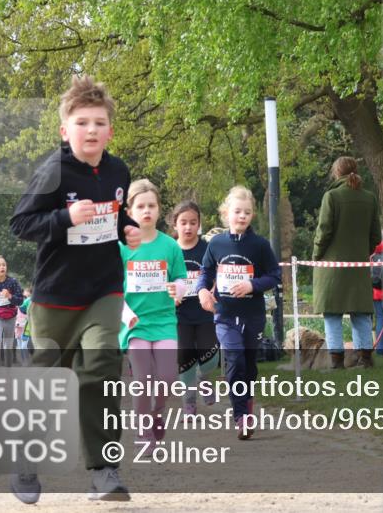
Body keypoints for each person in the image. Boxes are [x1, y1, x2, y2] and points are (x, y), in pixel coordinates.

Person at [9, 75, 141, 504]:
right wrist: (66, 218)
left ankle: (103, 469)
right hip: (56, 295)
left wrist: (126, 229)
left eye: (99, 123)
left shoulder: (118, 171)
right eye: (82, 123)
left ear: (110, 131)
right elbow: (21, 224)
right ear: (65, 130)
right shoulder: (53, 172)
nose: (91, 130)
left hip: (104, 290)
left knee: (102, 364)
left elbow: (113, 217)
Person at [197, 186, 281, 440]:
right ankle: (241, 416)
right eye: (237, 211)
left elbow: (275, 275)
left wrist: (252, 285)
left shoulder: (260, 245)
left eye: (247, 212)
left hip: (252, 315)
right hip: (224, 314)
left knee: (249, 364)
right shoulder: (216, 244)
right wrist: (202, 291)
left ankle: (247, 404)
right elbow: (206, 272)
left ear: (252, 215)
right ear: (226, 214)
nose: (242, 216)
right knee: (234, 360)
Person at [119, 179, 188, 454]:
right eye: (140, 206)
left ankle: (157, 412)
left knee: (168, 377)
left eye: (152, 205)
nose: (146, 211)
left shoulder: (170, 246)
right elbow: (112, 288)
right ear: (129, 212)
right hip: (135, 324)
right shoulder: (122, 247)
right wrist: (126, 314)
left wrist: (178, 289)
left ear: (159, 209)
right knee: (143, 380)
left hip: (164, 321)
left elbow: (181, 278)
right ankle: (143, 431)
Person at [312, 157, 382, 369]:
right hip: (359, 267)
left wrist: (316, 255)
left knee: (332, 315)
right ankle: (365, 359)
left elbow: (324, 231)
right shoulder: (369, 198)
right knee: (360, 314)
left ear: (336, 173)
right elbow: (376, 236)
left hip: (332, 268)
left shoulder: (331, 196)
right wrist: (363, 253)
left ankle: (336, 363)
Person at [170, 200, 218, 415]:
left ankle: (203, 376)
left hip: (204, 311)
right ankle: (188, 401)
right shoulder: (170, 249)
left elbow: (217, 274)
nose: (188, 227)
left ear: (199, 224)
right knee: (184, 356)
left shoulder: (207, 249)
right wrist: (170, 295)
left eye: (193, 222)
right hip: (179, 314)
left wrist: (212, 290)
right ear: (175, 224)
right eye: (183, 222)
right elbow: (160, 279)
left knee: (210, 357)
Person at [0, 255, 24, 367]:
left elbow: (20, 301)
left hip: (11, 317)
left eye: (4, 265)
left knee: (8, 345)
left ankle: (8, 369)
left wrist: (9, 296)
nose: (2, 267)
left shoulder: (13, 282)